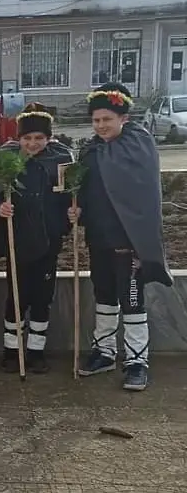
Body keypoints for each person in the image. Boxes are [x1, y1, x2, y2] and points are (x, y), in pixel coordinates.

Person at [73, 82, 173, 391]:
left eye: (107, 119)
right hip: (99, 236)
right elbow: (86, 190)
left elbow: (144, 195)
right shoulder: (92, 149)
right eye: (96, 120)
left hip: (129, 240)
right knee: (103, 295)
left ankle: (136, 360)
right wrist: (77, 211)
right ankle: (104, 351)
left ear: (123, 118)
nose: (101, 125)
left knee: (132, 299)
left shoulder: (137, 145)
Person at [0, 103, 73, 374]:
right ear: (19, 138)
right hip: (17, 240)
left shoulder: (60, 160)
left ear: (48, 138)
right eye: (27, 138)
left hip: (48, 240)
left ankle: (36, 350)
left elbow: (70, 193)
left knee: (42, 297)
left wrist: (73, 209)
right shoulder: (6, 159)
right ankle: (12, 350)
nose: (33, 144)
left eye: (39, 138)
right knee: (16, 296)